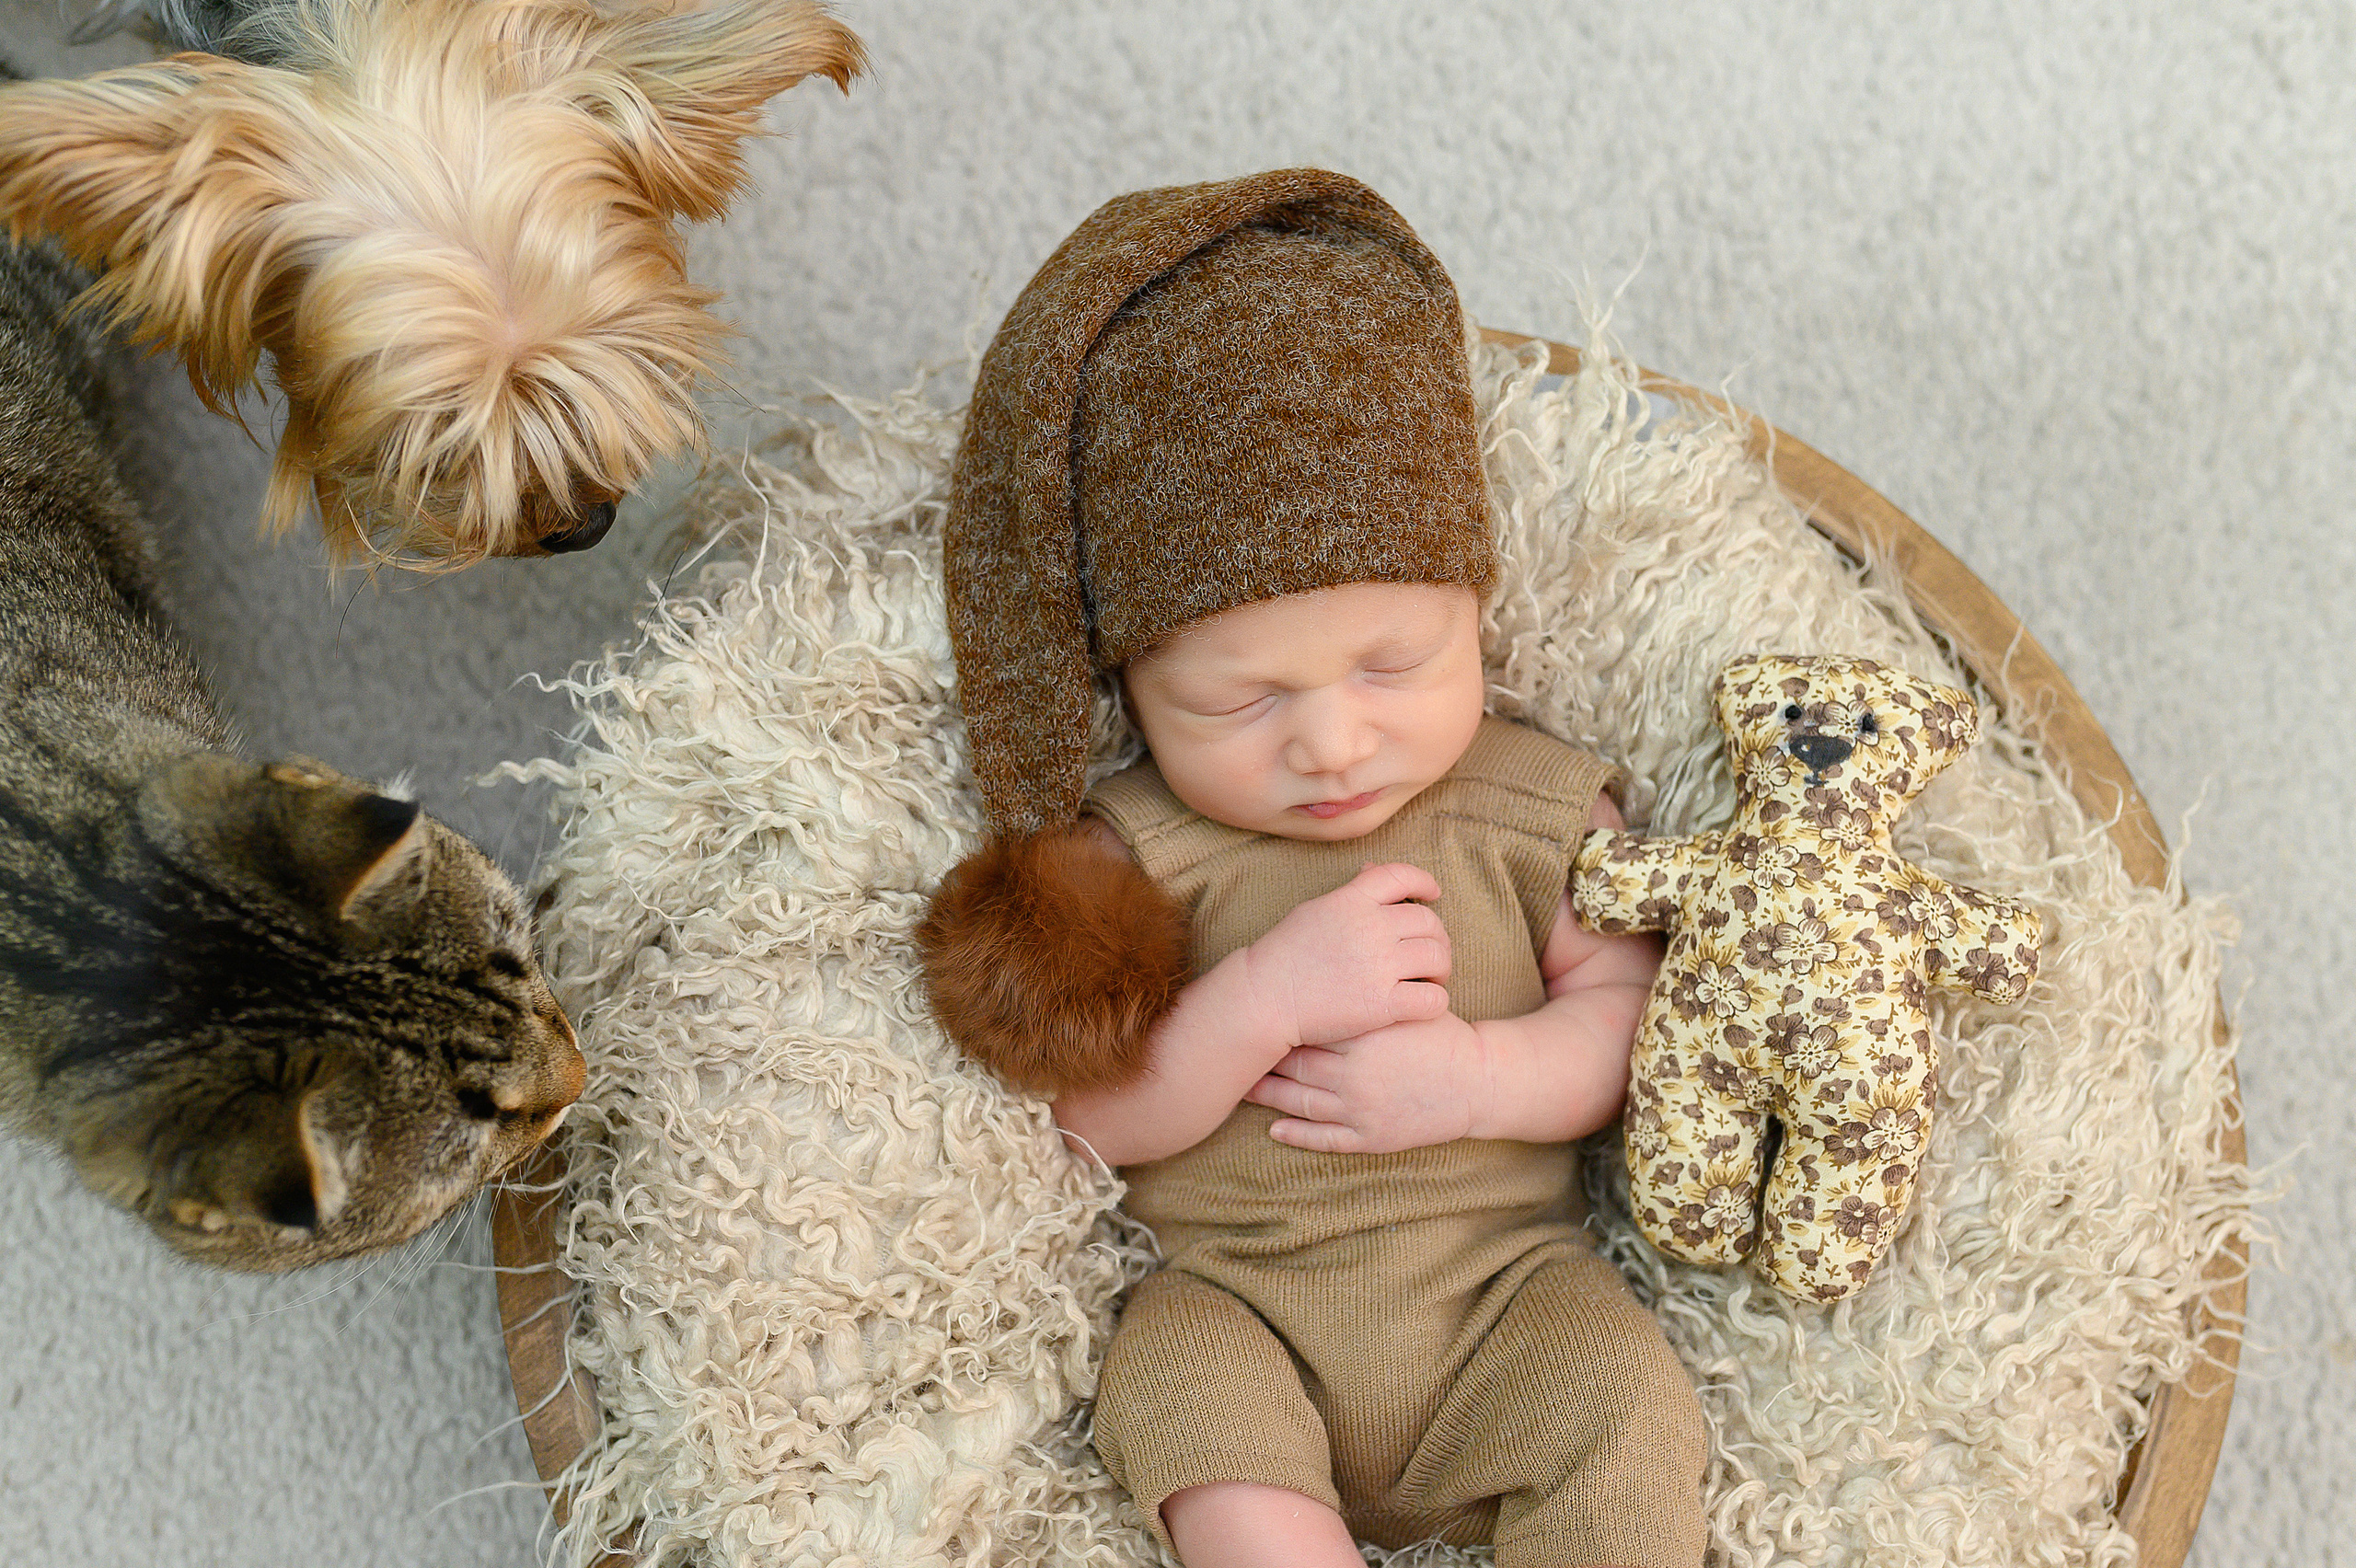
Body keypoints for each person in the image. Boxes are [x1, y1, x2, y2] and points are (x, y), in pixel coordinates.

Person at [918, 167, 1708, 1568]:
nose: (1334, 743)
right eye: (1240, 704)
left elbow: (1631, 1031)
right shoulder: (1136, 854)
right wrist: (1259, 1003)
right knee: (1167, 1378)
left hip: (1505, 1304)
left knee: (1625, 1396)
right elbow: (1088, 1125)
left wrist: (1477, 1076)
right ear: (1135, 688)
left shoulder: (1532, 808)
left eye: (1396, 665)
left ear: (1476, 604)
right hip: (1247, 1310)